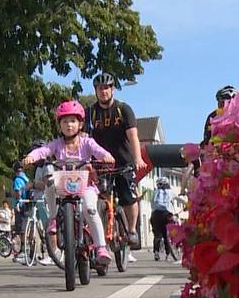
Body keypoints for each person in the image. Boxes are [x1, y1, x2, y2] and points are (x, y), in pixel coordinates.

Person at [23, 99, 114, 266]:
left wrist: (106, 156)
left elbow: (99, 151)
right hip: (62, 187)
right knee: (50, 183)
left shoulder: (87, 142)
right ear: (60, 125)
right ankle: (53, 219)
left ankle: (101, 247)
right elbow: (44, 150)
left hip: (85, 187)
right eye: (64, 121)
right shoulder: (57, 144)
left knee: (91, 209)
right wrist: (32, 157)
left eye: (73, 120)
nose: (69, 125)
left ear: (80, 124)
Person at [85, 73, 144, 250]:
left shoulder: (123, 109)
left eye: (106, 88)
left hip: (123, 161)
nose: (103, 92)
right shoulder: (90, 113)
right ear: (95, 91)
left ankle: (132, 230)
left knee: (128, 197)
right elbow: (84, 139)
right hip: (100, 164)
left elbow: (133, 136)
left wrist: (138, 158)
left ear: (112, 89)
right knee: (97, 198)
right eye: (99, 88)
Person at [196, 85, 236, 177]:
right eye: (222, 102)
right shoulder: (213, 116)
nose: (225, 105)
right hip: (219, 153)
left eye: (230, 102)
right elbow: (207, 139)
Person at [10, 161, 30, 262]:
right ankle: (26, 250)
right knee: (24, 228)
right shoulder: (25, 178)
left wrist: (12, 195)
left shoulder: (17, 179)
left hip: (20, 205)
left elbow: (17, 193)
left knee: (21, 229)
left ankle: (23, 251)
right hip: (26, 205)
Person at [150, 176, 173, 262]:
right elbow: (179, 199)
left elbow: (152, 203)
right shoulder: (170, 192)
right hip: (166, 214)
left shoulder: (154, 192)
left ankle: (156, 252)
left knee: (157, 235)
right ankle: (168, 255)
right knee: (166, 235)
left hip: (155, 215)